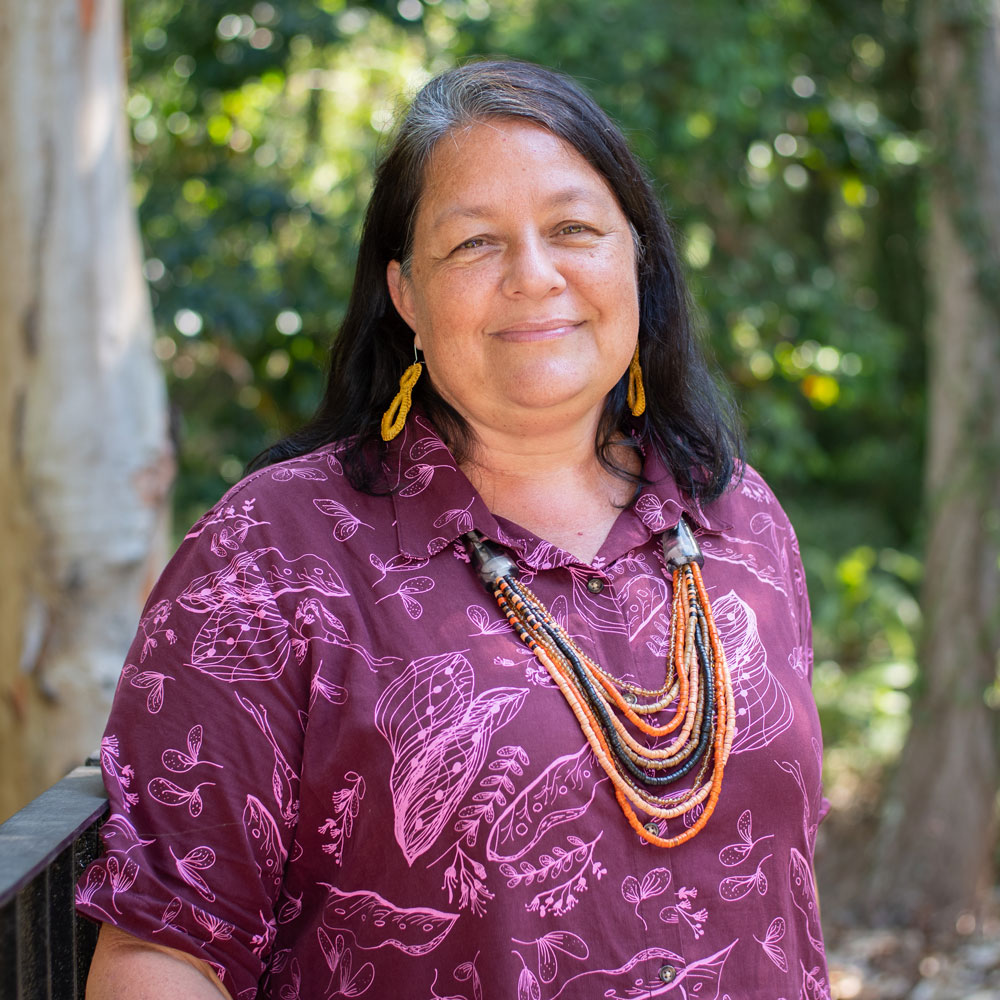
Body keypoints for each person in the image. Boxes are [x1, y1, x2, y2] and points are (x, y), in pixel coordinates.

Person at [79, 59, 830, 1000]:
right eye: (475, 244)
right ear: (404, 294)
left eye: (572, 229)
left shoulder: (738, 517)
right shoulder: (273, 554)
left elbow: (779, 890)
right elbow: (164, 951)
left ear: (635, 257)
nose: (534, 276)